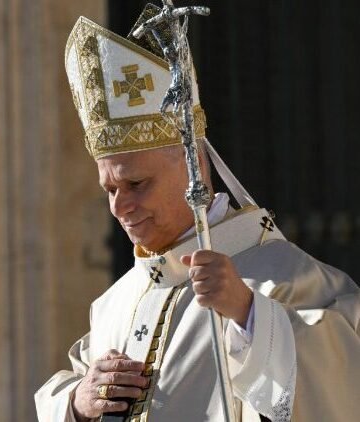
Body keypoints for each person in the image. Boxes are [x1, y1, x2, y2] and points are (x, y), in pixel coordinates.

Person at [35, 13, 360, 422]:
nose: (120, 206)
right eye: (110, 189)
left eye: (136, 184)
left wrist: (249, 315)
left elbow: (343, 374)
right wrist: (77, 403)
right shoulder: (113, 305)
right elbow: (71, 390)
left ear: (195, 166)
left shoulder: (284, 276)